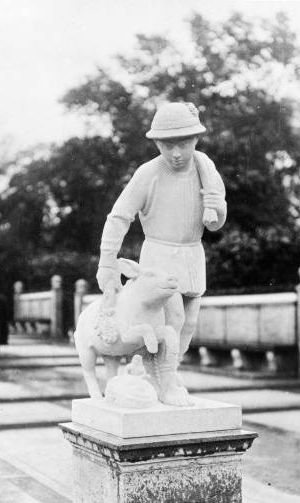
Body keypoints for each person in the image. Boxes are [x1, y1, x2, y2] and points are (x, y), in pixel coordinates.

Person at [96, 102, 226, 400]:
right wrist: (106, 262)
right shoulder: (148, 173)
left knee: (188, 323)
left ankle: (167, 375)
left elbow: (216, 222)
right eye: (168, 146)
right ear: (157, 143)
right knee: (171, 319)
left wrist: (218, 211)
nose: (176, 154)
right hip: (159, 256)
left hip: (192, 253)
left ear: (195, 139)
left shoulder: (206, 168)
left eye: (183, 144)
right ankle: (164, 382)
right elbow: (119, 217)